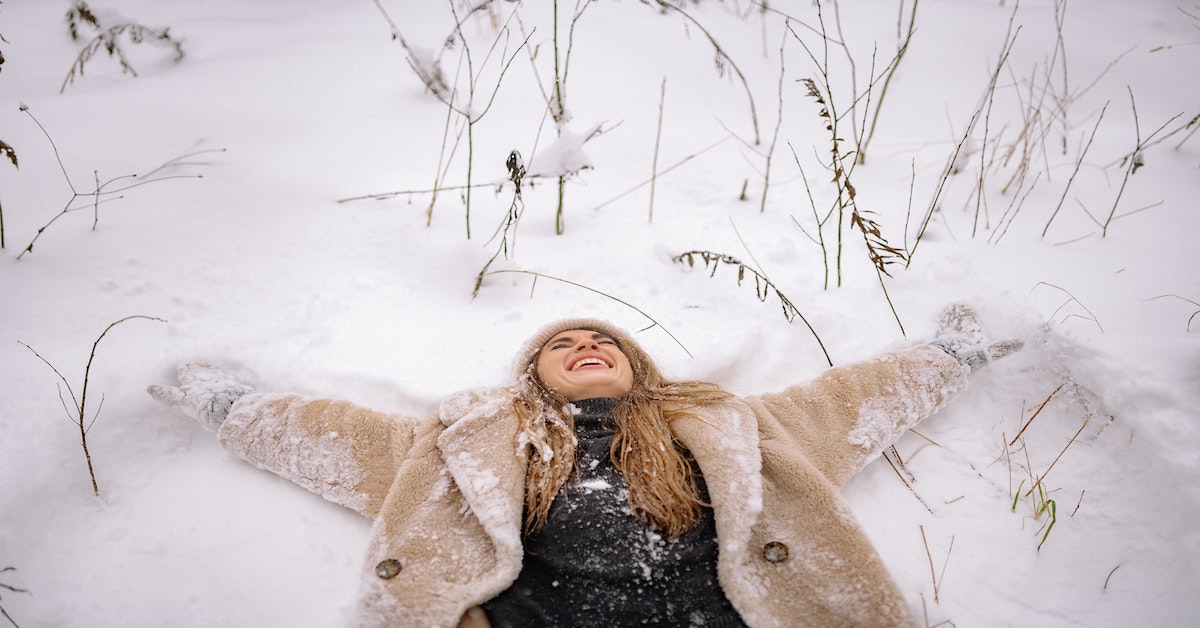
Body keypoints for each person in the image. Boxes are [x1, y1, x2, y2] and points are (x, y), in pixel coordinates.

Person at [148, 304, 1022, 627]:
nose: (586, 343)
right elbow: (339, 439)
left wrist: (954, 352)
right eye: (563, 342)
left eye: (603, 337)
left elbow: (851, 401)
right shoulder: (478, 442)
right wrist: (230, 405)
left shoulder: (728, 425)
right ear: (537, 375)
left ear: (636, 366)